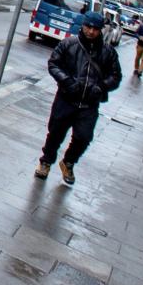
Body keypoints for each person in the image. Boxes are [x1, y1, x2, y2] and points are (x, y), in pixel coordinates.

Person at [35, 12, 122, 185]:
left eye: (95, 29)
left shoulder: (107, 52)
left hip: (89, 104)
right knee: (56, 133)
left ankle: (68, 162)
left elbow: (116, 75)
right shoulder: (69, 44)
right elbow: (54, 63)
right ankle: (46, 162)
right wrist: (67, 81)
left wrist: (101, 87)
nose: (91, 31)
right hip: (66, 98)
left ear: (100, 30)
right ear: (83, 26)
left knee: (84, 137)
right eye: (88, 27)